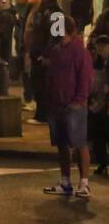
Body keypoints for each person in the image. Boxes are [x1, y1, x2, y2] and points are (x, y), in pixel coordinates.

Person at [41, 24, 93, 199]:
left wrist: (79, 100)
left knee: (79, 143)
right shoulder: (56, 50)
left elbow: (85, 77)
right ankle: (65, 181)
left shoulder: (80, 51)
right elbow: (51, 76)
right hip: (57, 104)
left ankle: (84, 183)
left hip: (73, 104)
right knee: (62, 144)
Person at [89, 34, 109, 176]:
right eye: (98, 48)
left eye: (103, 48)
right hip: (98, 104)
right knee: (99, 135)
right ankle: (103, 162)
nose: (100, 51)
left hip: (105, 105)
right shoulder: (99, 62)